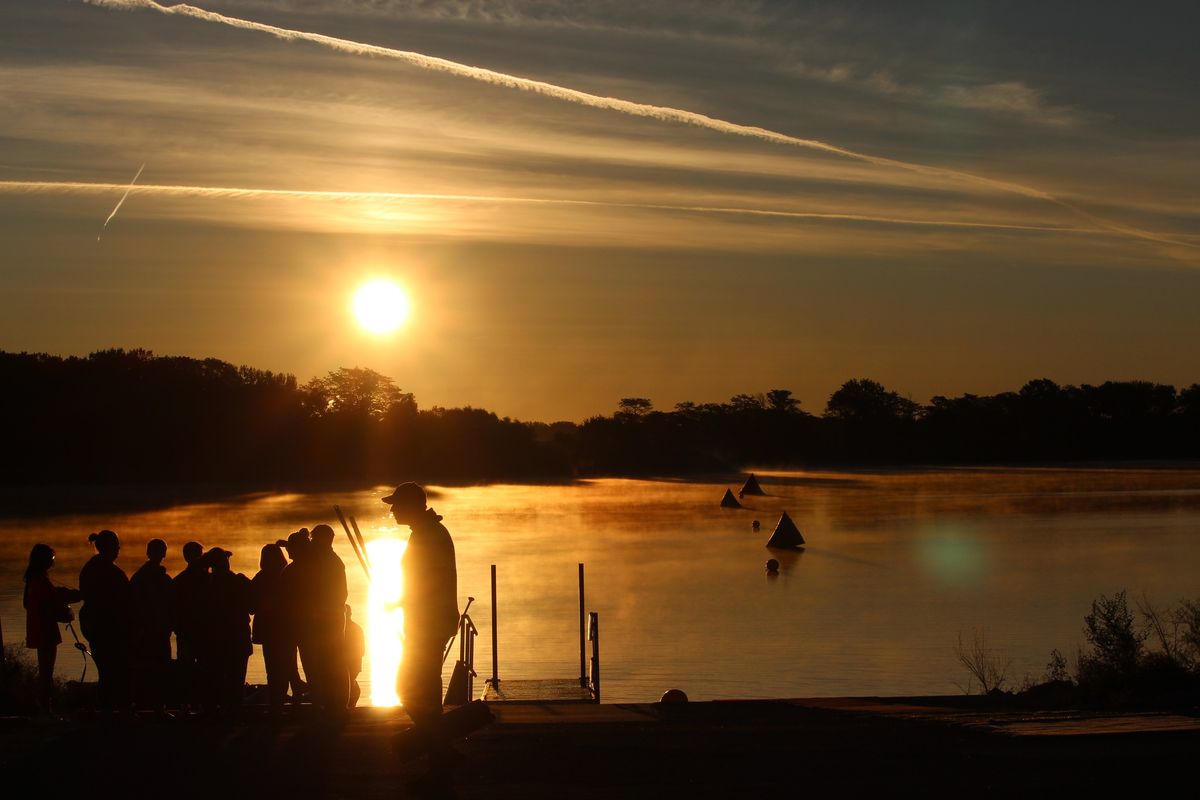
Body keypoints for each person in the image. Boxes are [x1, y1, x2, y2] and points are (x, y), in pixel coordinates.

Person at [383, 483, 459, 787]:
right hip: (426, 624)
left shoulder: (429, 536)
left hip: (428, 626)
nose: (392, 510)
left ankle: (441, 757)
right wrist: (402, 601)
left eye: (396, 505)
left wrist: (405, 601)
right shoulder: (426, 533)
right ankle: (441, 756)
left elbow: (429, 584)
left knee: (412, 691)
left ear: (412, 506)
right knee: (422, 693)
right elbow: (425, 583)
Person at [294, 524, 348, 714]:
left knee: (327, 663)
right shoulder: (325, 558)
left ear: (324, 539)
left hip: (326, 621)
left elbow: (334, 593)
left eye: (314, 538)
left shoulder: (325, 561)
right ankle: (333, 703)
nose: (312, 541)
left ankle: (332, 704)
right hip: (329, 619)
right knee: (329, 663)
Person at [23, 544, 81, 714]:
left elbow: (32, 603)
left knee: (45, 671)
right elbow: (49, 603)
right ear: (43, 560)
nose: (52, 563)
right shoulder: (39, 580)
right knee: (46, 672)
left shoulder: (33, 579)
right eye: (51, 559)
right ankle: (45, 710)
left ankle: (44, 708)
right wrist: (66, 608)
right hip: (45, 631)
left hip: (38, 629)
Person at [78, 530, 132, 711]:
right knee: (117, 669)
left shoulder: (88, 568)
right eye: (117, 547)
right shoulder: (114, 572)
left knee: (105, 670)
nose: (119, 550)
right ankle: (118, 708)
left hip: (93, 627)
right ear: (109, 548)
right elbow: (126, 602)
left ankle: (106, 708)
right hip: (110, 629)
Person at [202, 548, 252, 713]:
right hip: (238, 640)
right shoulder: (240, 582)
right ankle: (233, 713)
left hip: (214, 641)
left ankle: (214, 713)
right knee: (235, 680)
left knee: (214, 679)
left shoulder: (206, 585)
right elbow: (253, 606)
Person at [129, 538, 174, 712]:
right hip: (155, 631)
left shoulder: (139, 577)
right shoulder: (160, 579)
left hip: (148, 631)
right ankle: (157, 707)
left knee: (148, 669)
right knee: (158, 668)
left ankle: (148, 706)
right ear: (164, 554)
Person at [251, 542, 291, 713]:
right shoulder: (288, 575)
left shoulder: (260, 578)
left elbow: (251, 606)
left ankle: (276, 702)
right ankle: (284, 698)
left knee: (272, 667)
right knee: (287, 665)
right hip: (287, 629)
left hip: (268, 631)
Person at [173, 540, 209, 712]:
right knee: (201, 668)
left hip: (187, 632)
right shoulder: (207, 581)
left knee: (187, 669)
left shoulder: (178, 581)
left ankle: (187, 705)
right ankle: (201, 704)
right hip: (198, 632)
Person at [278, 529, 312, 703]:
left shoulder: (294, 570)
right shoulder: (312, 567)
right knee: (303, 663)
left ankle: (312, 696)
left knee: (306, 662)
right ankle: (303, 691)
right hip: (304, 624)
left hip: (297, 625)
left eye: (290, 548)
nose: (287, 551)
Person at [344, 604, 365, 709]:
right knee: (349, 683)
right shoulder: (355, 628)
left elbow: (361, 650)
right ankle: (349, 705)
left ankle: (348, 706)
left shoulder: (355, 629)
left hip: (353, 663)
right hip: (349, 663)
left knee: (349, 683)